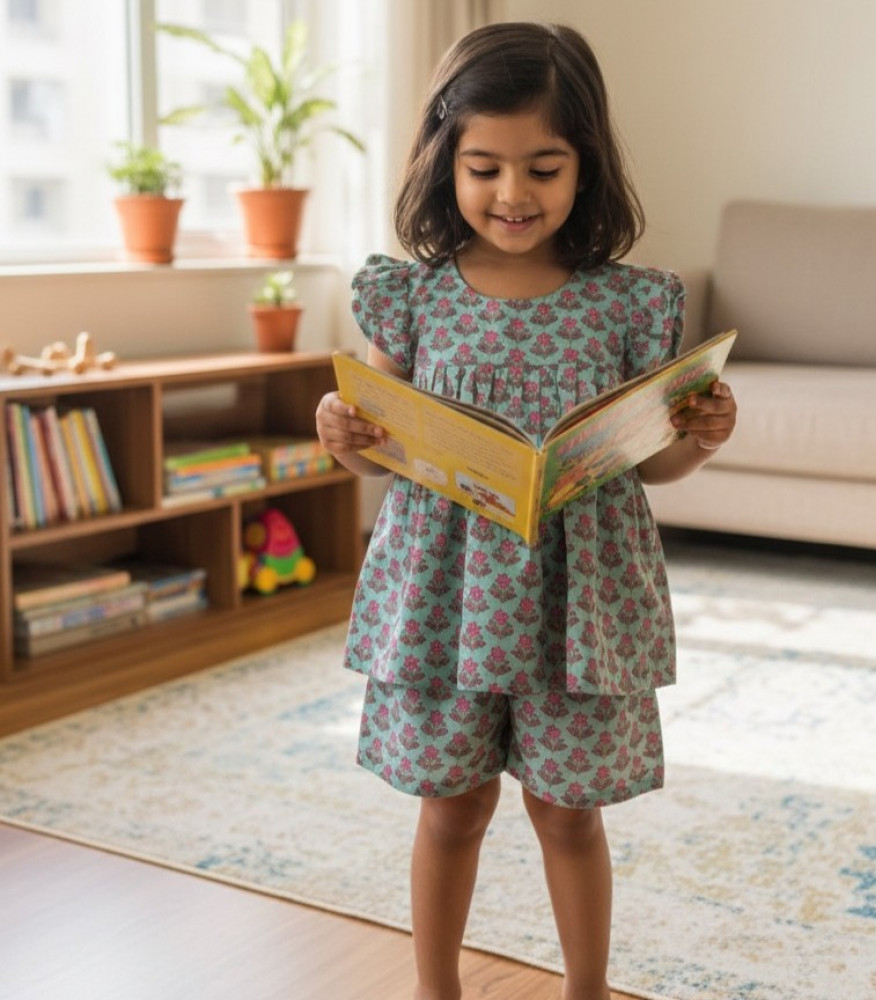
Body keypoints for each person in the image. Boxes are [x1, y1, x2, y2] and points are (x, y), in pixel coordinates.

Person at [315, 21, 737, 1000]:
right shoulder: (411, 299)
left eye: (543, 167)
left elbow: (654, 464)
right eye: (484, 167)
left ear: (585, 166)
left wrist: (700, 436)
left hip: (576, 602)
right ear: (442, 164)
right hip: (445, 600)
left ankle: (585, 986)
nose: (513, 194)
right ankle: (436, 987)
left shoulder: (625, 305)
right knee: (449, 808)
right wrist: (344, 437)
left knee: (567, 812)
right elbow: (380, 448)